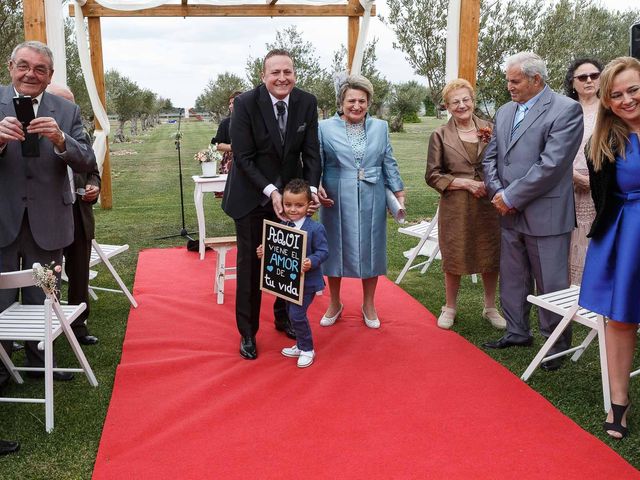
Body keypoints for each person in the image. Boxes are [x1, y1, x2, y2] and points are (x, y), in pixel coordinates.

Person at [0, 41, 97, 385]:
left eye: (40, 69)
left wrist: (61, 141)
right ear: (11, 66)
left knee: (44, 295)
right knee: (2, 295)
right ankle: (2, 364)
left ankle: (40, 360)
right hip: (4, 218)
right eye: (24, 65)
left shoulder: (66, 110)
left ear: (50, 75)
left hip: (50, 219)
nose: (31, 73)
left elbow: (88, 160)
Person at [481, 52, 583, 371]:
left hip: (546, 213)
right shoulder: (504, 111)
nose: (509, 86)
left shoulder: (566, 110)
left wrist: (511, 196)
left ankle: (555, 346)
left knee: (550, 282)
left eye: (515, 81)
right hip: (507, 211)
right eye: (508, 80)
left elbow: (551, 165)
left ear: (536, 79)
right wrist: (498, 192)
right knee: (513, 277)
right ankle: (516, 331)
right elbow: (491, 158)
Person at [222, 49, 321, 360]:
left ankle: (285, 318)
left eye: (287, 72)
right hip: (252, 196)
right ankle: (248, 333)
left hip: (291, 199)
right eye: (275, 72)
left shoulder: (307, 102)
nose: (282, 78)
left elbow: (311, 152)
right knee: (251, 267)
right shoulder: (245, 104)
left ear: (294, 74)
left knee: (287, 262)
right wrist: (270, 192)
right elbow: (244, 157)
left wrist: (311, 191)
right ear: (263, 76)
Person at [578, 56, 640, 439]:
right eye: (616, 95)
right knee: (621, 320)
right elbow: (605, 201)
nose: (626, 100)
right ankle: (619, 400)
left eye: (633, 90)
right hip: (629, 235)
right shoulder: (603, 141)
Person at [317, 74, 405, 328]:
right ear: (341, 102)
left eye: (362, 101)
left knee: (372, 247)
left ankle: (369, 304)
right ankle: (335, 303)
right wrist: (318, 186)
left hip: (373, 194)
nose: (357, 106)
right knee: (333, 248)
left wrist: (397, 191)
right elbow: (317, 163)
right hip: (335, 196)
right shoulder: (324, 127)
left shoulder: (381, 127)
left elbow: (388, 160)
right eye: (351, 101)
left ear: (369, 102)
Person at [426, 78, 504, 330]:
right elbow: (433, 175)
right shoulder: (439, 135)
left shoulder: (491, 129)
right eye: (455, 102)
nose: (461, 105)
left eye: (465, 99)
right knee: (455, 252)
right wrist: (466, 183)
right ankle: (449, 306)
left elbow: (503, 163)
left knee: (490, 252)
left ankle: (490, 307)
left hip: (488, 204)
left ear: (473, 100)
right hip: (457, 204)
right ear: (447, 106)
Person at [47, 83, 101, 345]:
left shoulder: (79, 135)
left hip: (79, 212)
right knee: (49, 275)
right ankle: (50, 327)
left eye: (73, 104)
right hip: (49, 215)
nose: (70, 109)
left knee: (79, 273)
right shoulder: (37, 135)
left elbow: (93, 169)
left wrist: (94, 186)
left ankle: (79, 326)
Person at [257, 179, 329, 368]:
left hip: (308, 283)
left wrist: (311, 261)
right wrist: (265, 250)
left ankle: (307, 348)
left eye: (299, 205)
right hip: (288, 284)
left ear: (309, 205)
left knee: (297, 315)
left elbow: (323, 252)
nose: (293, 209)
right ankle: (299, 345)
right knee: (291, 313)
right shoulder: (282, 225)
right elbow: (278, 249)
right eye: (288, 205)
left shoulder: (315, 228)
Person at [563, 58, 603, 285]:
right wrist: (572, 176)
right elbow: (553, 149)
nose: (589, 80)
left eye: (594, 75)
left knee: (596, 238)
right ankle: (569, 296)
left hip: (602, 186)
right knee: (569, 240)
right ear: (572, 81)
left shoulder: (610, 109)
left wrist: (595, 180)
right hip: (567, 184)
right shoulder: (565, 111)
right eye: (582, 77)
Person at [211, 90, 242, 176]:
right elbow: (218, 145)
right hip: (230, 163)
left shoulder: (254, 121)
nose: (231, 106)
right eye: (230, 103)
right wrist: (235, 147)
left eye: (233, 103)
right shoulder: (225, 123)